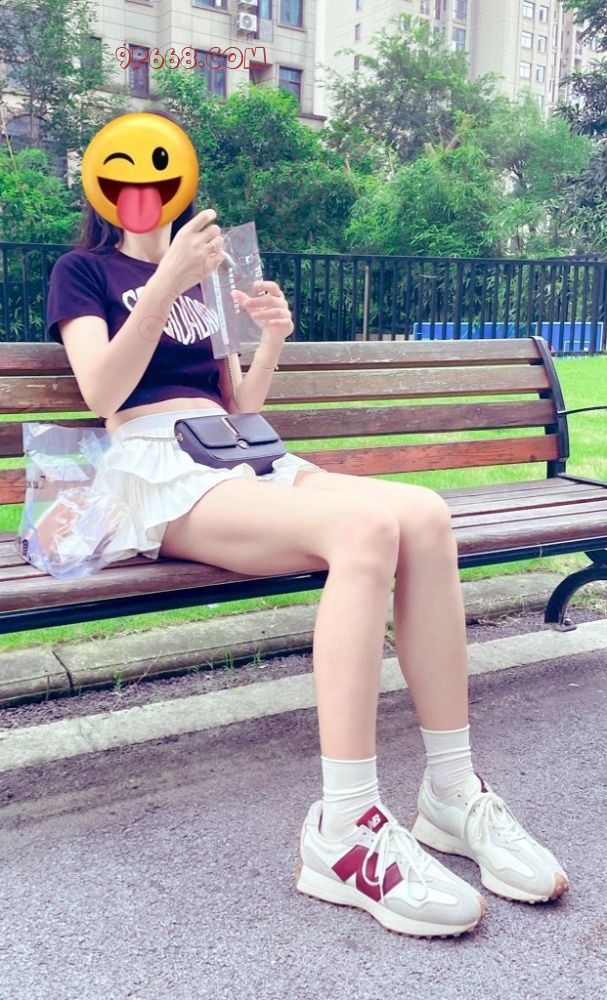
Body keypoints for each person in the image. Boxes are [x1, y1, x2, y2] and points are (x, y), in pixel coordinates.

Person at [46, 112, 568, 941]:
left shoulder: (209, 281)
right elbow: (104, 390)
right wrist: (167, 282)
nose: (142, 188)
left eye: (157, 173)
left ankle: (450, 792)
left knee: (423, 516)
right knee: (365, 532)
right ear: (102, 187)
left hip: (236, 452)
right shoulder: (83, 271)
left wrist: (271, 340)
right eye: (125, 174)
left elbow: (240, 403)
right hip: (155, 471)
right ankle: (345, 825)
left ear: (180, 181)